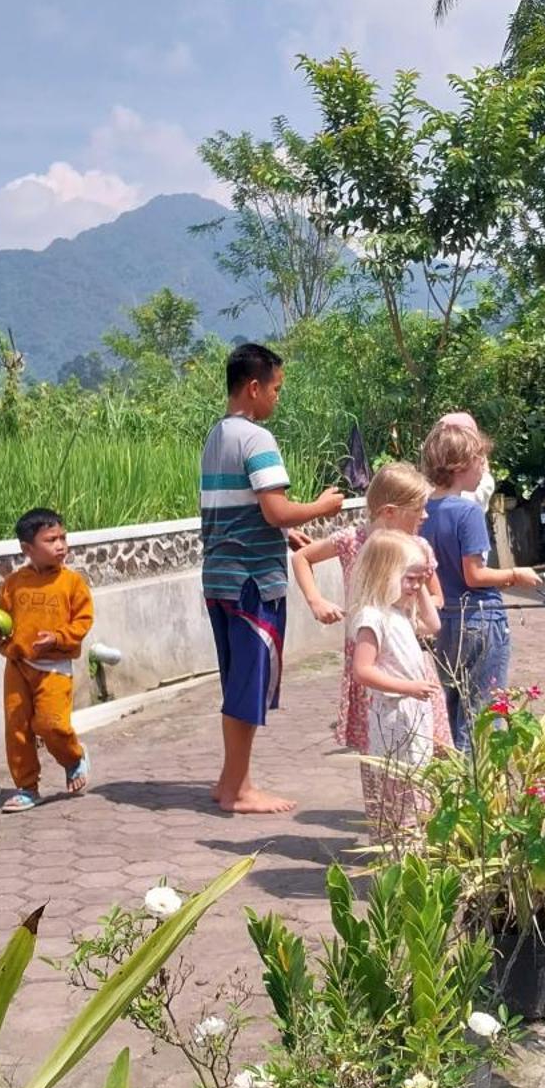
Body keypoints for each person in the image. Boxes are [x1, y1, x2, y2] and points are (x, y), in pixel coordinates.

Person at [201, 341, 344, 814]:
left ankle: (230, 782)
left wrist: (287, 531)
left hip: (220, 576)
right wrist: (322, 507)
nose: (278, 399)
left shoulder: (216, 436)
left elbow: (245, 511)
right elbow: (274, 506)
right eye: (277, 389)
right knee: (249, 682)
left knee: (237, 680)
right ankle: (240, 790)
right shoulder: (257, 439)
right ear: (255, 387)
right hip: (252, 583)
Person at [291, 458, 453, 772]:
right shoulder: (351, 540)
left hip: (405, 657)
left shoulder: (417, 547)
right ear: (389, 511)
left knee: (429, 739)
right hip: (368, 653)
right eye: (417, 508)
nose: (425, 515)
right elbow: (301, 557)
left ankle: (425, 806)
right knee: (375, 742)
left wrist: (410, 616)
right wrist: (316, 601)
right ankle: (383, 806)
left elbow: (437, 597)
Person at [421, 422, 539, 750]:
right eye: (479, 461)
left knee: (452, 708)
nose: (483, 468)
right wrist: (516, 575)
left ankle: (455, 787)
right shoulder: (469, 512)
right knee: (483, 717)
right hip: (480, 621)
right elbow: (475, 575)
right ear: (459, 466)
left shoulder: (422, 512)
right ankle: (478, 793)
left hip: (442, 622)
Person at [0, 508, 94, 813]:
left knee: (50, 724)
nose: (60, 545)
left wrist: (58, 638)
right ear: (27, 549)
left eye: (63, 537)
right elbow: (2, 620)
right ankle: (27, 787)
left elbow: (83, 621)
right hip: (18, 663)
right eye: (51, 539)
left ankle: (73, 757)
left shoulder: (72, 584)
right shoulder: (14, 583)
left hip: (54, 669)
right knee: (16, 726)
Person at [346, 528, 440, 843]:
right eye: (409, 579)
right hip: (393, 716)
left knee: (418, 790)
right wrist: (407, 687)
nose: (415, 586)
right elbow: (362, 671)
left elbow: (433, 625)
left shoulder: (399, 612)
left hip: (413, 713)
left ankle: (412, 854)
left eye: (418, 578)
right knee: (401, 796)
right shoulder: (373, 618)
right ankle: (400, 858)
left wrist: (423, 585)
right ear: (386, 575)